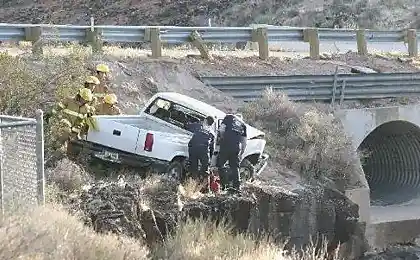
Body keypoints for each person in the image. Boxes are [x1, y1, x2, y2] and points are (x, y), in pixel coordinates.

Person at [216, 113, 247, 194]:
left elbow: (221, 129)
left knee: (220, 164)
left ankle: (224, 186)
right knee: (235, 167)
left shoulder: (229, 117)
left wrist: (222, 138)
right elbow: (244, 141)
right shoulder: (243, 125)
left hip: (225, 145)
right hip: (236, 147)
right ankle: (237, 187)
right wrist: (241, 153)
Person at [188, 116, 216, 183]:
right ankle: (203, 184)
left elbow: (187, 126)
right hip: (204, 151)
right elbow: (212, 148)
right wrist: (210, 157)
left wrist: (191, 122)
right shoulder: (212, 133)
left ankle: (192, 182)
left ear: (205, 121)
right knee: (205, 170)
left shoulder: (198, 126)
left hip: (193, 149)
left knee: (193, 167)